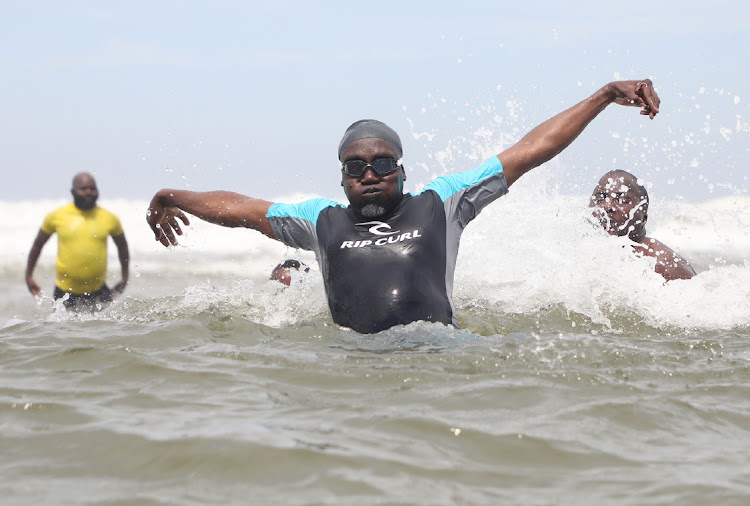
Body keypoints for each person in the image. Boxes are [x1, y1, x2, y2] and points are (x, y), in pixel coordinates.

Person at [148, 79, 661, 333]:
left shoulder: (443, 201)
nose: (369, 173)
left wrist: (604, 95)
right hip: (351, 364)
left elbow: (530, 150)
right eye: (355, 167)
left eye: (382, 162)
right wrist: (172, 196)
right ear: (343, 177)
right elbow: (240, 206)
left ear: (402, 169)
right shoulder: (319, 220)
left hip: (439, 360)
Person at [26, 172, 130, 310]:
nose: (89, 192)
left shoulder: (110, 218)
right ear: (73, 191)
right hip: (64, 292)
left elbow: (122, 247)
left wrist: (124, 278)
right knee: (61, 331)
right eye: (83, 188)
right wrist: (29, 276)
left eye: (92, 188)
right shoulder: (56, 216)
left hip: (99, 290)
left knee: (106, 330)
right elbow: (38, 245)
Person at [590, 170, 695, 282]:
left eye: (622, 200)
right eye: (600, 199)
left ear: (643, 218)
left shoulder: (661, 266)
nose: (608, 206)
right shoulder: (587, 255)